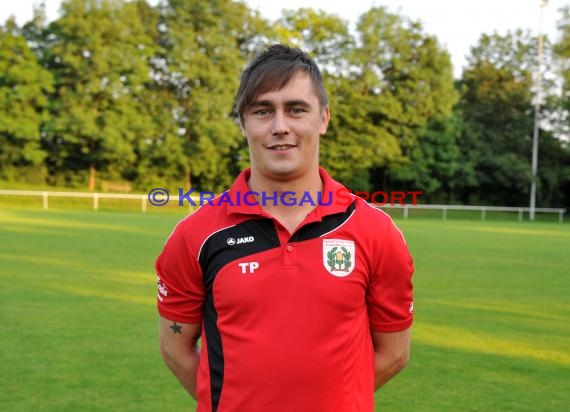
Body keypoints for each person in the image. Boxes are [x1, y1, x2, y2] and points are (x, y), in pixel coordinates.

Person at [156, 43, 414, 412]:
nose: (280, 127)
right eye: (263, 111)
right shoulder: (195, 235)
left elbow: (394, 353)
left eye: (296, 109)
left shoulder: (375, 232)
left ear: (323, 119)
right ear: (244, 123)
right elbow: (175, 348)